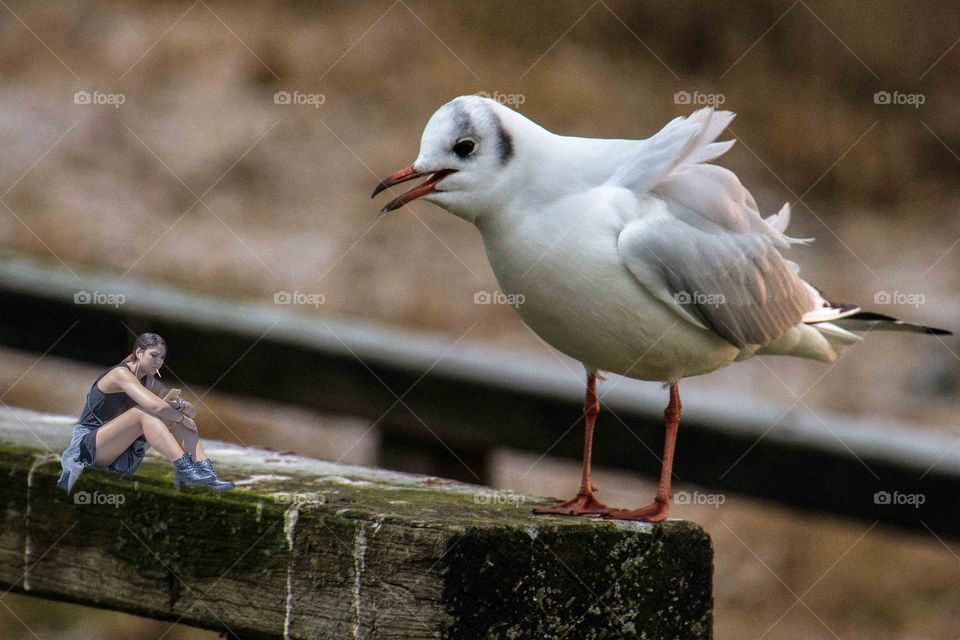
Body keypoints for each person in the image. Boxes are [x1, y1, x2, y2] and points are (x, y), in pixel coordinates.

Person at [57, 332, 234, 494]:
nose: (158, 362)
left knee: (176, 419)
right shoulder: (120, 374)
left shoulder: (149, 382)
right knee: (142, 413)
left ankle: (206, 473)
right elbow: (156, 407)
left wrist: (180, 407)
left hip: (122, 452)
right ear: (139, 353)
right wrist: (180, 415)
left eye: (162, 358)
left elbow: (191, 411)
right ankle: (184, 467)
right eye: (154, 356)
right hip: (88, 448)